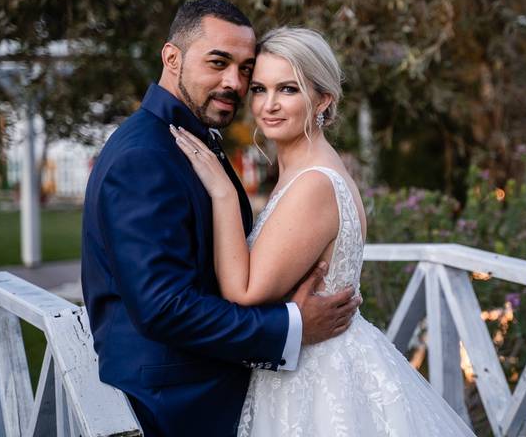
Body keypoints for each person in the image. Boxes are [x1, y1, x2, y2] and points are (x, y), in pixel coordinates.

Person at [171, 26, 476, 436]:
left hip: (319, 382)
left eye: (288, 89)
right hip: (305, 364)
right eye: (259, 89)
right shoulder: (302, 169)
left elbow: (244, 292)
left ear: (323, 99)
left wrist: (224, 194)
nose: (269, 105)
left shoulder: (314, 182)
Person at [81, 0, 360, 437]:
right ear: (172, 58)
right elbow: (163, 307)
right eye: (218, 63)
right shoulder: (146, 155)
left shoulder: (186, 140)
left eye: (245, 69)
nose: (235, 82)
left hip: (221, 388)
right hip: (175, 404)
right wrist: (292, 327)